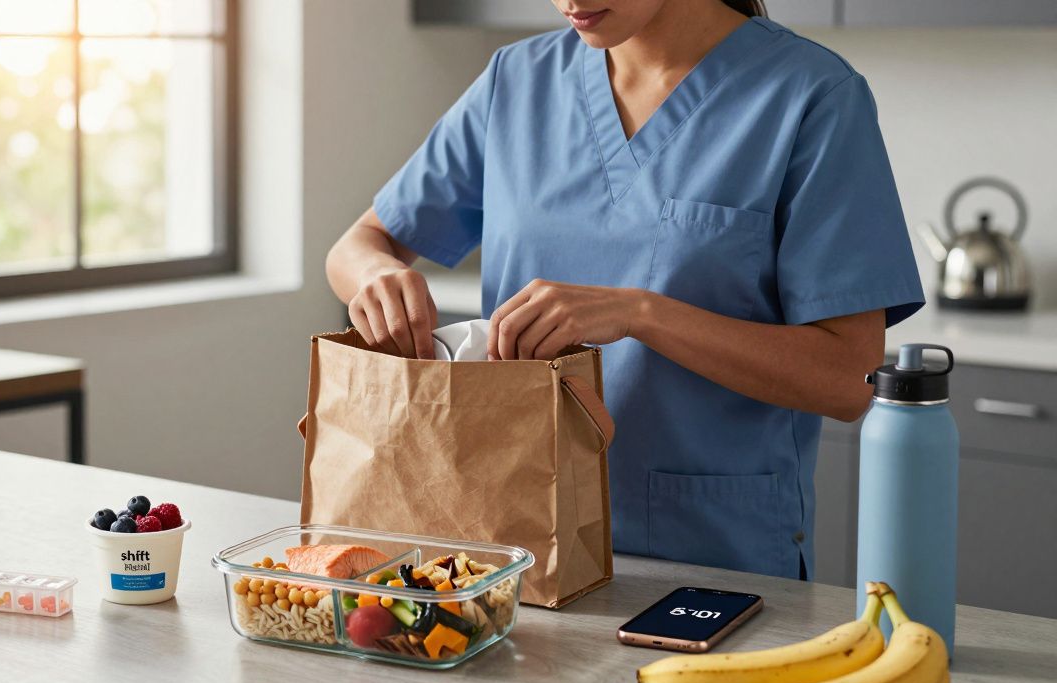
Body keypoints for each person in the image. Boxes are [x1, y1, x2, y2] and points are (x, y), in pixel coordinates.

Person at [324, 0, 924, 580]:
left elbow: (850, 380)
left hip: (711, 554)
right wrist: (379, 278)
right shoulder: (518, 82)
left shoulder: (810, 95)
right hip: (514, 542)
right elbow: (360, 245)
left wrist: (643, 313)